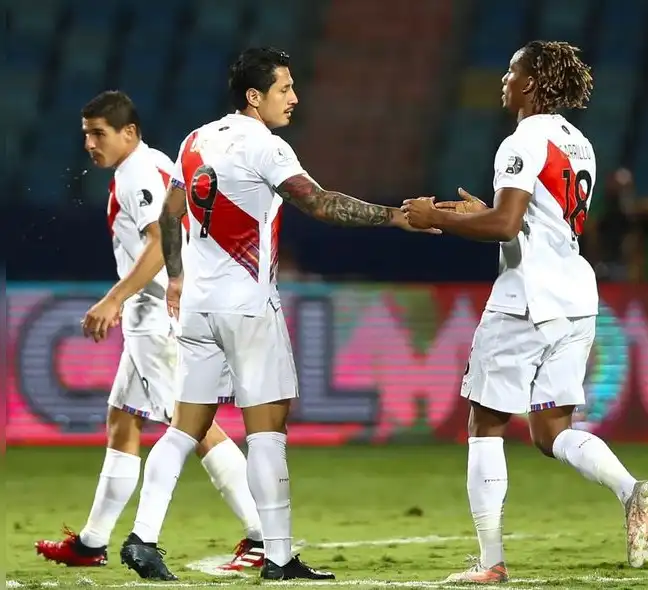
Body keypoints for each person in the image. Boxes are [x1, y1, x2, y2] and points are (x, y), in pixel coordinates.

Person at [118, 47, 436, 582]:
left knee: (184, 428)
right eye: (284, 88)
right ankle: (280, 558)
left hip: (197, 308)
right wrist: (395, 217)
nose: (294, 98)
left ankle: (142, 538)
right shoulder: (265, 146)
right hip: (248, 309)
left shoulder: (194, 140)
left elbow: (171, 214)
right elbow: (320, 203)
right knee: (267, 431)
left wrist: (175, 276)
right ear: (254, 95)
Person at [402, 40, 648, 583]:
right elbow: (532, 222)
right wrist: (486, 213)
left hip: (527, 298)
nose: (504, 79)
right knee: (551, 430)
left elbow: (503, 225)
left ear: (534, 83)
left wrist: (437, 217)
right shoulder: (579, 143)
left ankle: (490, 562)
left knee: (485, 422)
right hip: (575, 297)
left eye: (512, 70)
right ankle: (630, 490)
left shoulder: (522, 140)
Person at [35, 91, 265, 573]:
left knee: (193, 424)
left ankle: (262, 533)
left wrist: (115, 298)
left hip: (156, 315)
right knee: (123, 421)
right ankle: (91, 543)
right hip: (159, 311)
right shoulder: (155, 163)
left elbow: (161, 243)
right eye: (86, 135)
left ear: (129, 132)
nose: (90, 144)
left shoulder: (137, 173)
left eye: (99, 134)